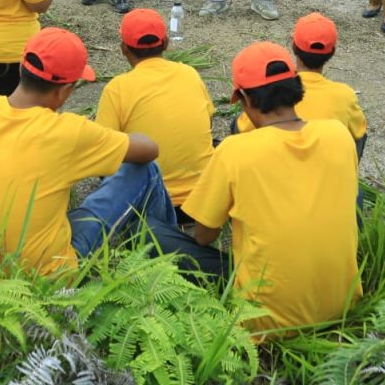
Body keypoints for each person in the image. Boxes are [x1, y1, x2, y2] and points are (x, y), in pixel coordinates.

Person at [148, 42, 360, 335]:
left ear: (245, 98)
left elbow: (204, 235)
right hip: (341, 307)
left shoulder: (236, 150)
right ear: (297, 86)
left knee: (152, 232)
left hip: (263, 319)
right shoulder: (338, 135)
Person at [0, 27, 176, 275]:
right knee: (145, 170)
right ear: (65, 91)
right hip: (49, 276)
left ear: (20, 68)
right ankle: (164, 262)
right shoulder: (67, 132)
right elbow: (149, 150)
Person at [95, 9, 215, 216]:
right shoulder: (190, 74)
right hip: (201, 199)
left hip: (151, 204)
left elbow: (102, 154)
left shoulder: (117, 88)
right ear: (166, 42)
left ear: (123, 48)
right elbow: (208, 123)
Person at [234, 13, 368, 159]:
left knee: (238, 123)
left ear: (294, 46)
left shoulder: (275, 91)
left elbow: (243, 128)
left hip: (275, 160)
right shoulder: (345, 95)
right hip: (324, 163)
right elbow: (359, 132)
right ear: (332, 52)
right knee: (358, 135)